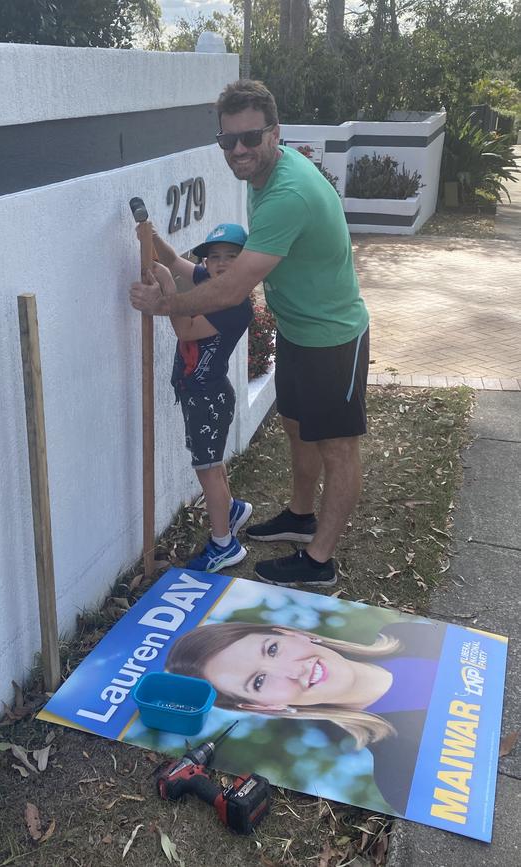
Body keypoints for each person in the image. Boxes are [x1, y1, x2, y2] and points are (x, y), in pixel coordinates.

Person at [130, 80, 370, 588]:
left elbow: (232, 286)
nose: (238, 149)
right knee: (296, 426)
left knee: (338, 447)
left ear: (274, 133)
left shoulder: (288, 192)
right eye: (227, 140)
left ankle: (319, 561)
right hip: (298, 331)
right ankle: (301, 518)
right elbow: (217, 271)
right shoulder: (258, 176)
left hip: (333, 338)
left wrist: (165, 304)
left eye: (249, 138)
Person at [165, 619, 447, 814]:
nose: (293, 670)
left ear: (290, 633)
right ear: (264, 708)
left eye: (272, 649)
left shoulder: (406, 634)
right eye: (259, 681)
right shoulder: (398, 775)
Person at [140, 222, 254, 572]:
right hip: (199, 394)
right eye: (215, 257)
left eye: (231, 257)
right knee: (212, 464)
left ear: (247, 263)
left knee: (206, 470)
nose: (220, 264)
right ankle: (232, 509)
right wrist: (153, 236)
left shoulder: (236, 307)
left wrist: (168, 291)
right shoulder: (209, 282)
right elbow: (175, 260)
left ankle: (224, 545)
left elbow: (186, 328)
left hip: (209, 398)